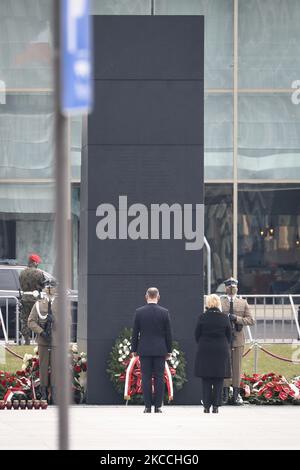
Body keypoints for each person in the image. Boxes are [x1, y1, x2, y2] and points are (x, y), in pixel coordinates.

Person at [131, 287, 172, 413]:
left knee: (146, 377)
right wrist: (169, 350)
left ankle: (147, 406)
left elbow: (135, 333)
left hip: (144, 349)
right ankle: (158, 406)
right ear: (158, 297)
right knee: (159, 378)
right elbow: (168, 334)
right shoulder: (164, 312)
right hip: (160, 350)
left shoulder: (139, 312)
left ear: (146, 296)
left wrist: (134, 349)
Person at [194, 294, 232, 413]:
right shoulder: (225, 317)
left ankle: (206, 406)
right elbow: (229, 335)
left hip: (205, 349)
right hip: (221, 349)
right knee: (218, 379)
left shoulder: (202, 317)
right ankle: (216, 406)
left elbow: (197, 335)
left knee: (206, 379)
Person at [221, 277, 255, 405]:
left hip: (238, 338)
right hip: (224, 338)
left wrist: (237, 319)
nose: (231, 289)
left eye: (233, 287)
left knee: (236, 367)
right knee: (225, 366)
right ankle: (224, 395)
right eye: (229, 287)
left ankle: (235, 395)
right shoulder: (221, 302)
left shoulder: (243, 303)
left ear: (237, 289)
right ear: (225, 289)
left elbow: (251, 320)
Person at [28, 278, 57, 403]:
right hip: (43, 340)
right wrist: (41, 332)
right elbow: (31, 321)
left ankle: (55, 393)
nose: (49, 288)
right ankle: (44, 392)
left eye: (52, 286)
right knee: (44, 367)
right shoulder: (39, 304)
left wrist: (55, 319)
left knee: (56, 367)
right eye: (47, 286)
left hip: (57, 341)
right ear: (44, 289)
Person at [19, 253, 45, 345]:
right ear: (34, 262)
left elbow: (21, 284)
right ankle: (41, 338)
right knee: (39, 319)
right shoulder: (39, 273)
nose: (38, 264)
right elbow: (43, 284)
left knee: (25, 319)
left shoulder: (22, 272)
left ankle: (27, 340)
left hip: (25, 298)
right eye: (37, 262)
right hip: (35, 299)